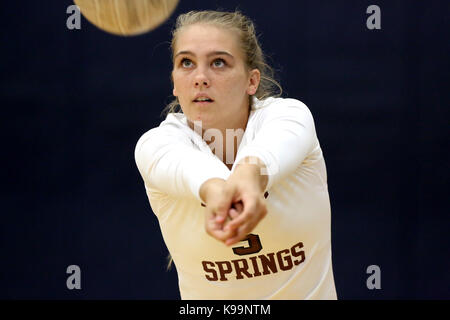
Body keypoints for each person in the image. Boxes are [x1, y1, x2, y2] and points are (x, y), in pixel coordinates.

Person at [134, 9, 337, 299]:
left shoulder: (290, 116)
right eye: (186, 63)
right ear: (175, 83)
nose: (200, 77)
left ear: (251, 81)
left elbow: (267, 153)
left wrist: (248, 177)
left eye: (219, 62)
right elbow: (190, 169)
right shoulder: (156, 145)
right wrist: (216, 190)